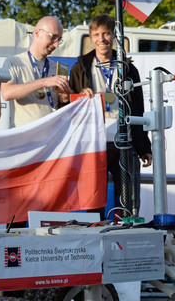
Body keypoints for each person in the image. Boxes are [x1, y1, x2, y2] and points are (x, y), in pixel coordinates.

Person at [67, 14, 152, 215]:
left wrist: (143, 147)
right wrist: (80, 96)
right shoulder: (80, 68)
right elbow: (69, 106)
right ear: (90, 37)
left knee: (128, 203)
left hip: (125, 141)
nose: (101, 39)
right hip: (93, 143)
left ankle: (127, 240)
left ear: (114, 35)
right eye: (96, 34)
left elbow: (138, 110)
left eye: (106, 33)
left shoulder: (128, 69)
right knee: (93, 201)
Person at [0, 16, 70, 127]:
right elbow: (7, 93)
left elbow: (62, 109)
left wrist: (64, 100)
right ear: (37, 33)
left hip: (52, 138)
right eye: (53, 37)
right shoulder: (14, 62)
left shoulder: (60, 68)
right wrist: (43, 82)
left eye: (59, 39)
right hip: (25, 138)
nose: (56, 45)